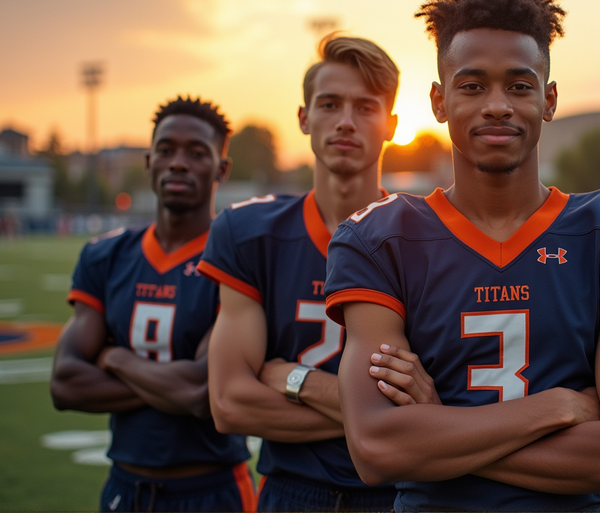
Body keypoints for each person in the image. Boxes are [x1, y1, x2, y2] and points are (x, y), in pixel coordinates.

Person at [323, 0, 600, 511]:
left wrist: (440, 426)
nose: (497, 105)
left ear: (550, 99)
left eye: (519, 85)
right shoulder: (378, 239)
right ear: (439, 102)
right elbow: (375, 449)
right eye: (472, 85)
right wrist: (554, 408)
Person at [199, 35, 416, 512]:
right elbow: (230, 403)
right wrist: (380, 417)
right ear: (303, 117)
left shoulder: (426, 239)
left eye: (365, 107)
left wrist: (296, 379)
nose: (345, 121)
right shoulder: (248, 232)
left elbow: (437, 405)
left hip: (398, 496)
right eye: (329, 104)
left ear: (391, 125)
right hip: (291, 489)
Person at [50, 96, 255, 512]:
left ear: (222, 169)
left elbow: (201, 391)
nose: (178, 163)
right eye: (166, 150)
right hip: (125, 487)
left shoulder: (238, 260)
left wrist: (115, 358)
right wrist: (171, 385)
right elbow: (65, 383)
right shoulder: (105, 256)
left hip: (212, 488)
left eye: (196, 153)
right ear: (149, 162)